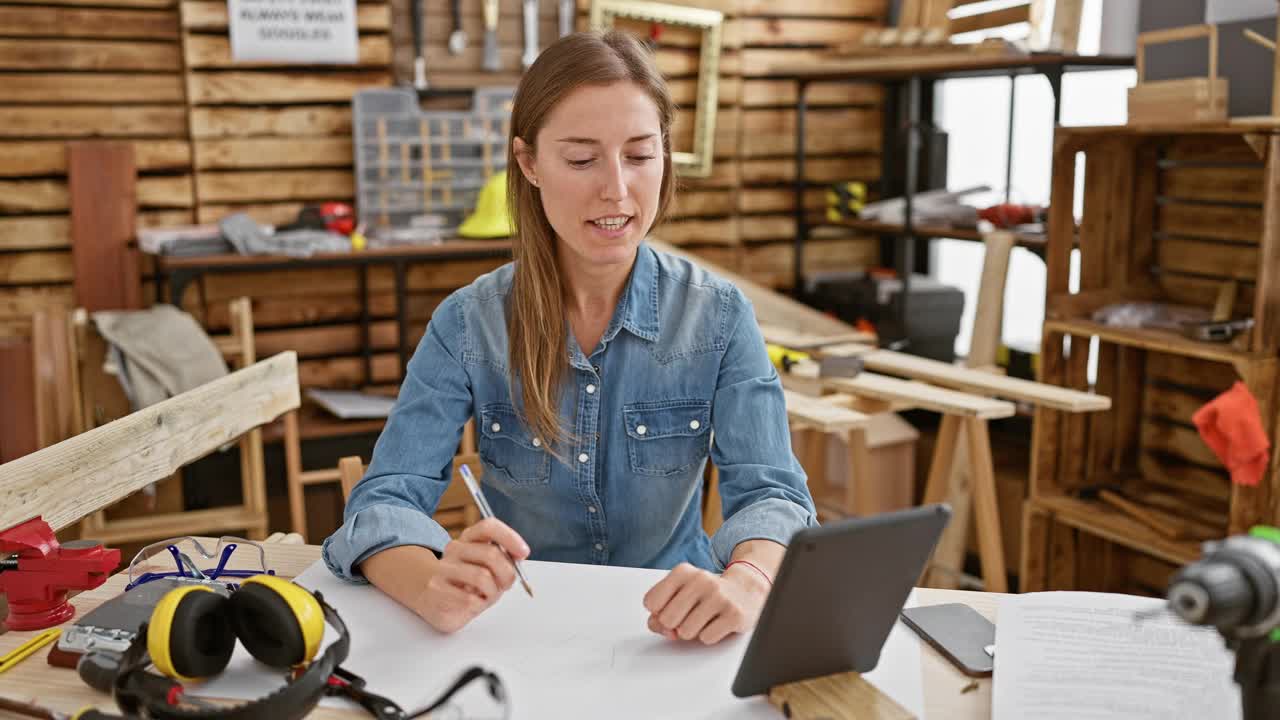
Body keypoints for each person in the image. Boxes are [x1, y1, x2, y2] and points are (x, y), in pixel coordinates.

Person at [323, 30, 816, 646]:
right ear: (529, 163)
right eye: (582, 159)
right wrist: (429, 582)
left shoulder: (718, 316)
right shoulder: (467, 323)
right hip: (525, 629)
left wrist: (744, 581)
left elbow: (773, 494)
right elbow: (385, 498)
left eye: (640, 155)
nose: (616, 188)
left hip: (674, 635)